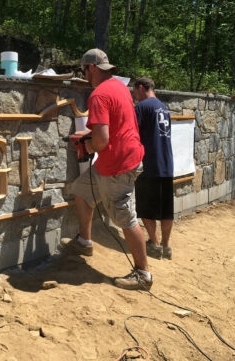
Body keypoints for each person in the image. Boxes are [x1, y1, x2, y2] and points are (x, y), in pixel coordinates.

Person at [60, 48, 152, 290]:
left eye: (83, 70)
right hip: (118, 158)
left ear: (91, 68)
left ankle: (143, 274)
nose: (83, 75)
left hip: (118, 165)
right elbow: (113, 126)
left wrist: (86, 144)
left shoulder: (98, 95)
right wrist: (88, 136)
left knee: (125, 218)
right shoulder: (119, 88)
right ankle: (84, 241)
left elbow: (101, 141)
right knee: (81, 191)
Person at [133, 77, 174, 260]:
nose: (135, 96)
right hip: (167, 164)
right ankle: (166, 246)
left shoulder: (142, 107)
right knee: (166, 209)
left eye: (135, 92)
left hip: (149, 165)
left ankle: (155, 245)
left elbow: (132, 132)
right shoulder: (163, 108)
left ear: (141, 88)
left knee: (147, 208)